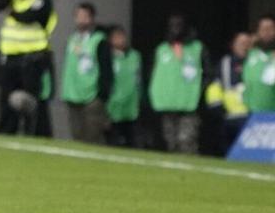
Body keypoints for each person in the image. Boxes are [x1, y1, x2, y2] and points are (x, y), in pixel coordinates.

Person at [0, 0, 56, 137]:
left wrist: (11, 9)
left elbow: (28, 17)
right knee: (7, 100)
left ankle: (34, 134)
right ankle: (6, 134)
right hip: (10, 56)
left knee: (32, 101)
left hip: (33, 58)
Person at [148, 14, 212, 155]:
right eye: (172, 25)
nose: (175, 29)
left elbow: (208, 73)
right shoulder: (161, 49)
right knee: (171, 143)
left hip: (190, 104)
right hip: (167, 104)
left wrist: (199, 93)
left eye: (179, 25)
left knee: (186, 141)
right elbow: (154, 75)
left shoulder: (198, 48)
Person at [59, 2, 113, 144]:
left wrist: (102, 94)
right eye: (79, 16)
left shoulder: (99, 41)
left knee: (92, 137)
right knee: (76, 136)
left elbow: (106, 69)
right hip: (72, 95)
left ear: (92, 18)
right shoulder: (72, 40)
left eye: (85, 16)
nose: (81, 19)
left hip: (91, 96)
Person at [205, 31, 251, 156]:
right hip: (229, 117)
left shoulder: (258, 62)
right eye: (240, 43)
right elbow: (215, 86)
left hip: (254, 117)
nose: (244, 46)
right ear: (233, 45)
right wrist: (217, 106)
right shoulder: (224, 63)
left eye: (247, 43)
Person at [104, 25, 141, 148]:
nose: (121, 40)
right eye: (117, 37)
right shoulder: (108, 58)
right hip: (113, 104)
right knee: (113, 139)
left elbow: (139, 80)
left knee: (132, 140)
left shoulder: (135, 56)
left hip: (131, 106)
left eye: (122, 36)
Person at [242, 14, 275, 113]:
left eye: (270, 28)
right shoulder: (249, 53)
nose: (266, 32)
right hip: (250, 114)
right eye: (263, 29)